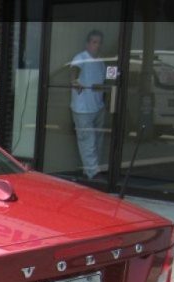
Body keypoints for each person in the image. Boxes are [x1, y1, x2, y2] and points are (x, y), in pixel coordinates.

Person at [70, 30, 106, 179]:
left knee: (97, 140)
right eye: (94, 42)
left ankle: (90, 169)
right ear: (88, 43)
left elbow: (103, 82)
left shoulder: (101, 62)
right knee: (87, 140)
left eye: (99, 42)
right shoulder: (81, 58)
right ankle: (93, 173)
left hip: (98, 106)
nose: (96, 45)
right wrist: (75, 81)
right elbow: (74, 71)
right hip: (82, 108)